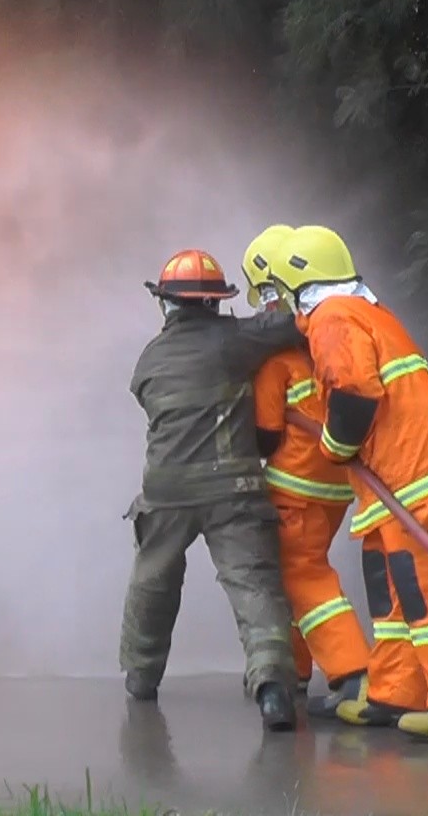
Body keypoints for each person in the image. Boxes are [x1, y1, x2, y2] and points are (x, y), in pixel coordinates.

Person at [257, 224, 428, 739]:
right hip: (393, 483)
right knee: (392, 593)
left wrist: (334, 448)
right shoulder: (362, 312)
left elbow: (356, 394)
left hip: (416, 474)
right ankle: (392, 693)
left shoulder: (332, 319)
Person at [119, 247, 306, 732]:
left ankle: (140, 677)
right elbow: (292, 326)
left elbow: (145, 395)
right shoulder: (234, 340)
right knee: (254, 583)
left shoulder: (149, 358)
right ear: (214, 303)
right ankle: (272, 690)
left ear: (167, 304)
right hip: (234, 490)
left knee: (152, 582)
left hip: (166, 492)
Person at [239, 224, 371, 719]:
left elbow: (266, 434)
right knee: (291, 578)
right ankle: (293, 672)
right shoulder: (326, 341)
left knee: (303, 574)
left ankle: (353, 672)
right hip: (334, 486)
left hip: (295, 488)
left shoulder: (277, 362)